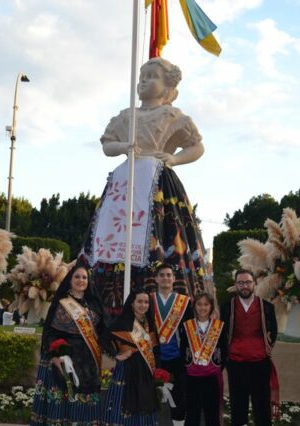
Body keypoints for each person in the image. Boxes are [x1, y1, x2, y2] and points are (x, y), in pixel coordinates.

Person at [79, 57, 210, 319]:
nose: (144, 81)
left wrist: (174, 159)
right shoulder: (126, 116)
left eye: (152, 76)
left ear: (167, 85)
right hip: (124, 182)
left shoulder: (174, 116)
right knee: (111, 232)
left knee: (160, 239)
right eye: (142, 76)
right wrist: (123, 148)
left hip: (159, 183)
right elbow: (107, 144)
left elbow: (197, 147)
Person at [30, 265, 106, 425]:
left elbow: (105, 330)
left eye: (84, 277)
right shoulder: (61, 303)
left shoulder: (94, 303)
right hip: (64, 359)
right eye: (77, 277)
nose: (81, 280)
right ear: (70, 280)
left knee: (85, 405)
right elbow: (50, 332)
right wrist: (56, 355)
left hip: (87, 361)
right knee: (63, 402)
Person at [220, 269, 278, 426]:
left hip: (260, 362)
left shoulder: (267, 307)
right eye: (240, 282)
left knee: (262, 406)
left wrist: (265, 347)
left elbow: (274, 332)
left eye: (247, 282)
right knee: (238, 405)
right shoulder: (226, 307)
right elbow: (221, 334)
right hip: (235, 363)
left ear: (254, 284)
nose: (244, 286)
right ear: (235, 285)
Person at [102, 287, 159, 425]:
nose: (143, 305)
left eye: (146, 302)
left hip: (146, 371)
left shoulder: (150, 323)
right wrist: (116, 355)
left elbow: (156, 348)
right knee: (124, 404)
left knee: (145, 404)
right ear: (132, 303)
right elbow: (104, 339)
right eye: (139, 301)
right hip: (127, 371)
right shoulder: (122, 321)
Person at [150, 264, 192, 426]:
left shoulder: (184, 302)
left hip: (177, 359)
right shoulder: (149, 300)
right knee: (153, 398)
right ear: (156, 279)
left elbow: (189, 330)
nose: (165, 278)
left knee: (179, 397)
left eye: (169, 275)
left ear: (174, 279)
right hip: (154, 358)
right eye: (162, 275)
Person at [179, 292, 225, 426]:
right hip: (192, 377)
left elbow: (224, 351)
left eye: (206, 304)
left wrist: (216, 368)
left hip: (212, 377)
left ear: (211, 306)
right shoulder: (187, 326)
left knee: (212, 415)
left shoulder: (219, 326)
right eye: (199, 304)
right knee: (192, 414)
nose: (202, 307)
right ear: (194, 306)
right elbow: (182, 350)